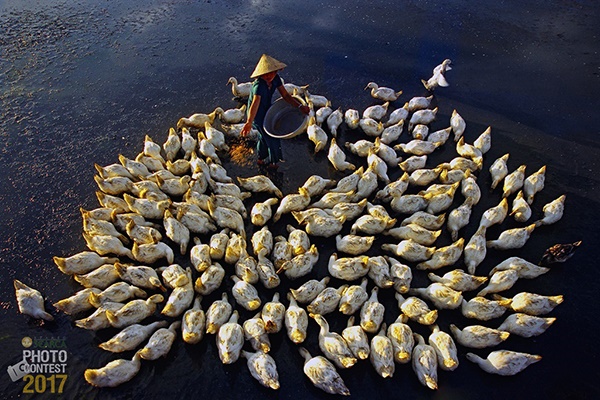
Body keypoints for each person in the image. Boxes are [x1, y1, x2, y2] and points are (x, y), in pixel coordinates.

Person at [241, 54, 310, 169]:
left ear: (276, 71)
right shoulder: (259, 86)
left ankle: (260, 158)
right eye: (265, 73)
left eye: (271, 72)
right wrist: (249, 122)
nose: (268, 76)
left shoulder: (276, 79)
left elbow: (285, 95)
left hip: (267, 109)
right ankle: (274, 162)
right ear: (261, 74)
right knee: (272, 137)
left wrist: (299, 106)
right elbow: (255, 103)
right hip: (256, 115)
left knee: (263, 137)